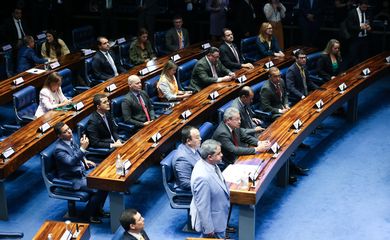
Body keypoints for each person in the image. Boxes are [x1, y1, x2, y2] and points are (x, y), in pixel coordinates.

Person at [53, 122, 109, 224]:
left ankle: (97, 210)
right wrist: (83, 148)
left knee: (106, 182)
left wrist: (84, 160)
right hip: (71, 179)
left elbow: (76, 151)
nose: (69, 131)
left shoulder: (70, 139)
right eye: (65, 132)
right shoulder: (59, 150)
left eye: (69, 128)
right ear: (59, 136)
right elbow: (70, 161)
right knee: (98, 187)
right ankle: (88, 216)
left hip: (81, 172)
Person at [190, 139, 230, 238]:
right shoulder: (202, 178)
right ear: (210, 157)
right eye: (218, 153)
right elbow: (203, 207)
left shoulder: (210, 164)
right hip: (214, 223)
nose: (222, 155)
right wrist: (208, 229)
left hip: (219, 215)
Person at [173, 126, 202, 191]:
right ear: (188, 141)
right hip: (197, 187)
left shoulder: (193, 146)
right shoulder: (182, 159)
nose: (200, 139)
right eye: (197, 137)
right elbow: (185, 183)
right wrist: (207, 183)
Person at [345, 0, 372, 67]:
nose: (365, 9)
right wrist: (360, 28)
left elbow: (370, 22)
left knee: (364, 57)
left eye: (366, 7)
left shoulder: (368, 12)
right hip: (355, 38)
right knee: (353, 58)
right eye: (363, 7)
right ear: (359, 5)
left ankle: (364, 74)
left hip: (365, 38)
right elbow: (349, 26)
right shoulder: (352, 13)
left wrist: (369, 28)